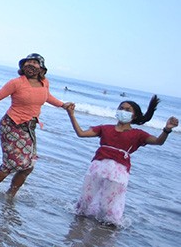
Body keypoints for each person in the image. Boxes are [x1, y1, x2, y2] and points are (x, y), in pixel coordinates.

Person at [0, 54, 72, 199]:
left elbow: (47, 97)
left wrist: (63, 105)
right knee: (11, 163)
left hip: (29, 128)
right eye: (27, 63)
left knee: (29, 166)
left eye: (34, 63)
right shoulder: (16, 83)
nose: (30, 65)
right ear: (22, 66)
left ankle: (11, 194)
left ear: (41, 68)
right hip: (11, 125)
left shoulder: (45, 82)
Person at [66, 96, 178, 225]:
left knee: (108, 207)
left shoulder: (138, 134)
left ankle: (104, 232)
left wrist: (167, 129)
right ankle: (79, 227)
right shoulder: (105, 128)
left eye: (128, 110)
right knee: (85, 201)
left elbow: (158, 142)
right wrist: (71, 114)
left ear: (134, 116)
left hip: (117, 173)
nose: (123, 111)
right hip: (97, 168)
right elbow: (81, 133)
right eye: (121, 108)